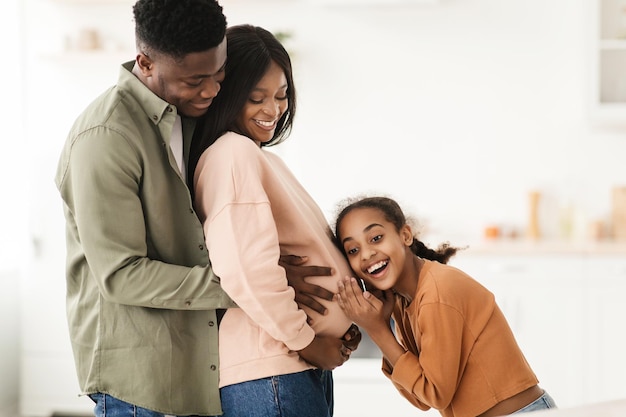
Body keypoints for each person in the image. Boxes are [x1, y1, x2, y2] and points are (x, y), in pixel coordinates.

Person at [54, 1, 337, 416]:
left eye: (219, 75)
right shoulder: (107, 136)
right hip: (139, 378)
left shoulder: (187, 118)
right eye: (194, 80)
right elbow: (121, 274)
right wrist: (246, 286)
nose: (210, 90)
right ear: (145, 63)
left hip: (196, 364)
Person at [190, 24, 360, 417]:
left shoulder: (260, 158)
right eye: (256, 98)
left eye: (281, 96)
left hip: (291, 367)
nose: (273, 110)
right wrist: (306, 340)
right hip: (272, 369)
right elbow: (244, 270)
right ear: (226, 94)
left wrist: (338, 325)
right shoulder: (233, 154)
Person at [333, 196, 557, 417]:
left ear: (405, 235)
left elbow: (435, 394)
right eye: (353, 250)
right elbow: (420, 398)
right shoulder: (403, 301)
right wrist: (382, 324)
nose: (367, 254)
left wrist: (378, 330)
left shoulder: (437, 293)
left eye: (376, 238)